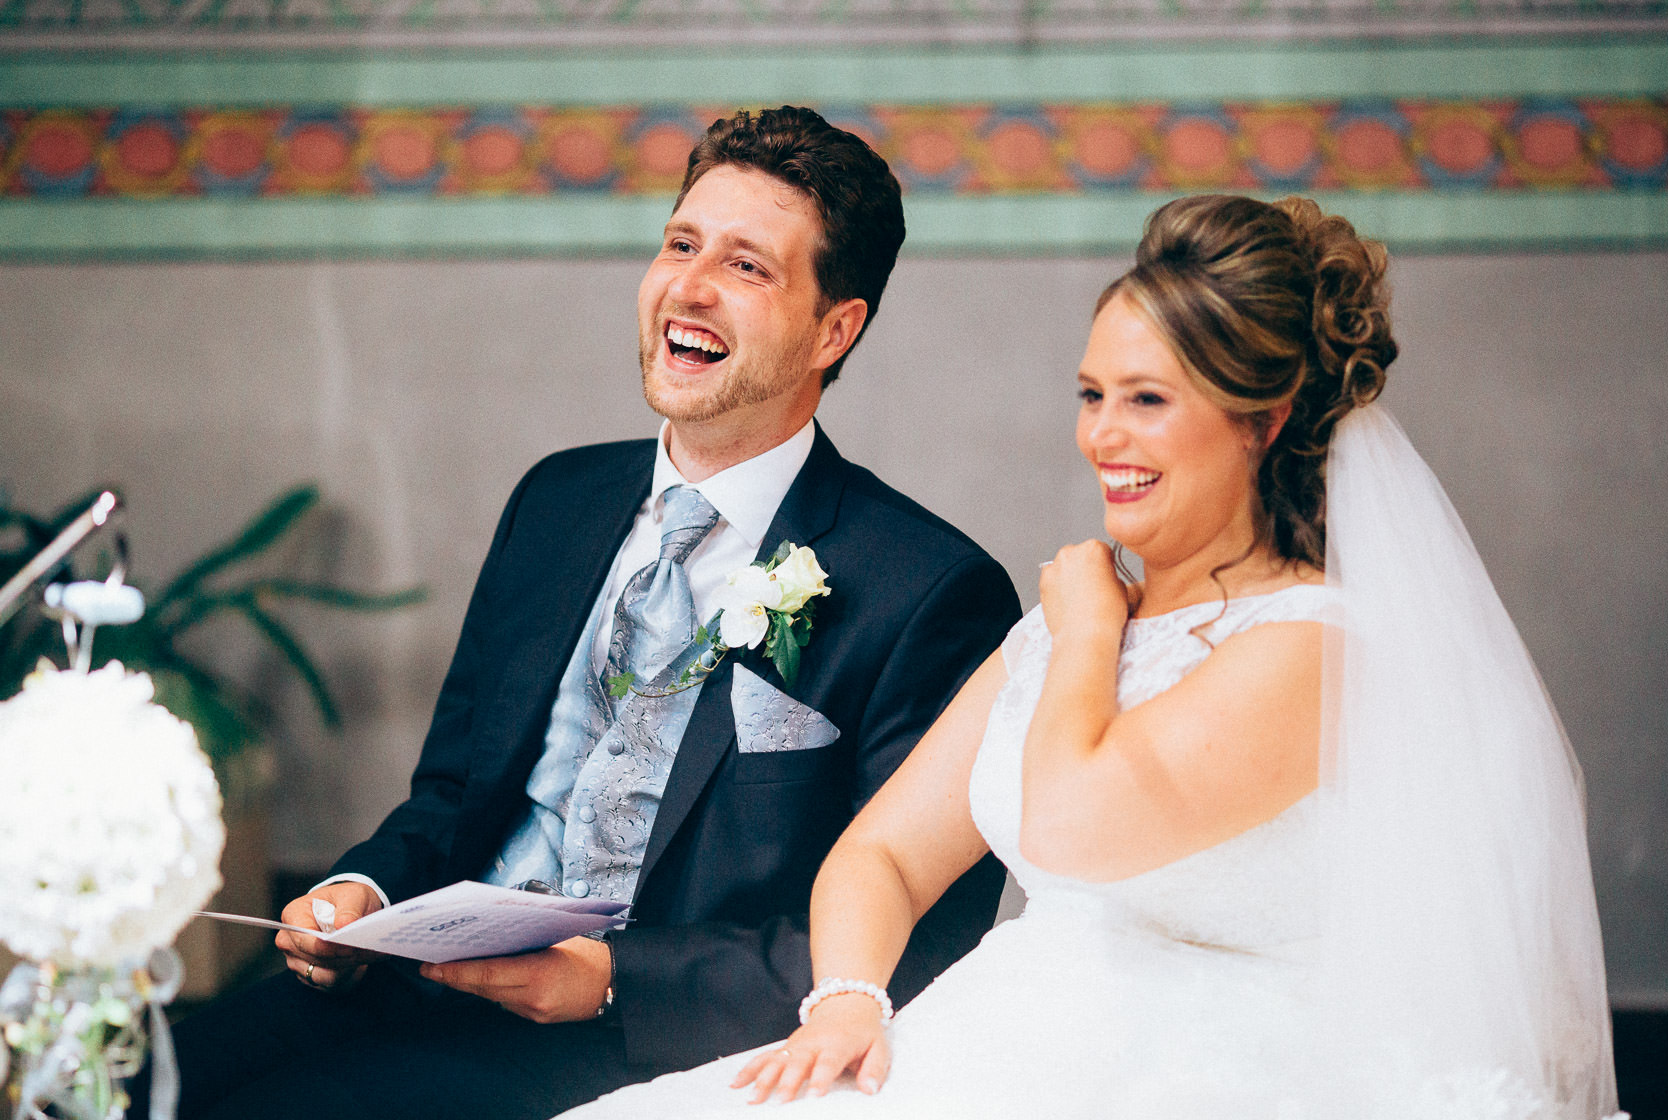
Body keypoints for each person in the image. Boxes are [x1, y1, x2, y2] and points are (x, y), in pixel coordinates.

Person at [560, 194, 1622, 1119]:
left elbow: (1070, 826)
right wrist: (847, 994)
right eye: (1092, 393)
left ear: (1263, 419)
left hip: (1214, 1078)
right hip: (1008, 1031)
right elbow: (880, 854)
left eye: (1148, 399)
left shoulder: (1309, 646)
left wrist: (1090, 635)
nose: (1104, 435)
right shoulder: (1073, 614)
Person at [155, 106, 1020, 1120]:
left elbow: (919, 936)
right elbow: (448, 798)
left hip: (630, 1042)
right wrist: (366, 895)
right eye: (680, 244)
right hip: (412, 978)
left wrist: (614, 977)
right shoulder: (555, 501)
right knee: (113, 1082)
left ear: (837, 327)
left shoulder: (929, 588)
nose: (689, 288)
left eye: (747, 267)